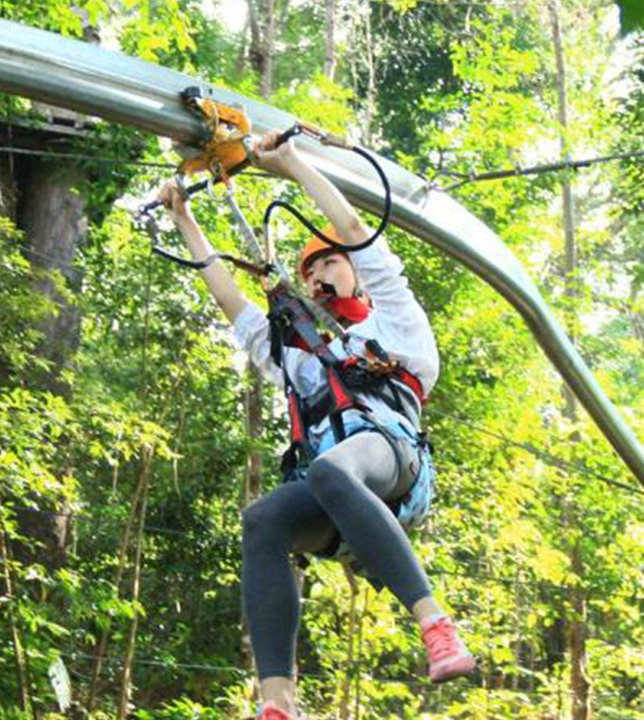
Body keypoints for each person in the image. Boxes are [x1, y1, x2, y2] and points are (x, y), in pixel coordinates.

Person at [156, 131, 474, 720]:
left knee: (330, 468)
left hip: (393, 461)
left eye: (330, 262)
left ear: (353, 274)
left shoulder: (397, 323)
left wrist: (292, 163)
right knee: (263, 519)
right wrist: (184, 219)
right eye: (311, 269)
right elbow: (234, 304)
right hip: (339, 490)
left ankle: (435, 623)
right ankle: (280, 703)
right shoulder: (302, 356)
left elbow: (354, 230)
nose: (321, 273)